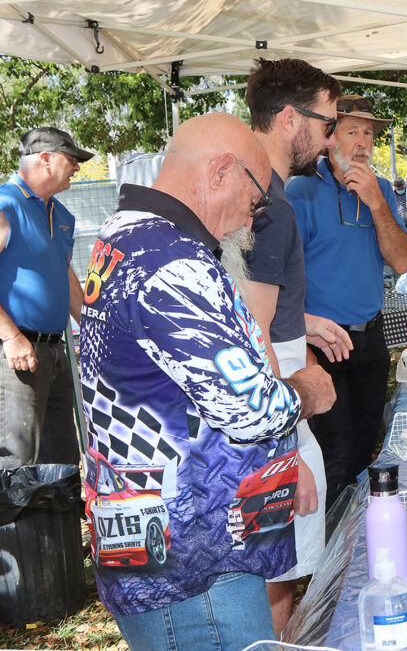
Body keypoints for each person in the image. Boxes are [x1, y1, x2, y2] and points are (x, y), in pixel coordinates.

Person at [77, 112, 336, 649]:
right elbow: (252, 409)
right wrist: (308, 387)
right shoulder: (172, 261)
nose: (254, 212)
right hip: (195, 565)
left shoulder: (128, 236)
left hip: (165, 547)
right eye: (256, 193)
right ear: (222, 171)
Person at [244, 57, 354, 634]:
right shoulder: (270, 205)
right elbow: (246, 334)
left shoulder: (261, 195)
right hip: (273, 416)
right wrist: (283, 451)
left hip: (273, 407)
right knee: (273, 591)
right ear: (291, 118)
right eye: (328, 121)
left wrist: (301, 321)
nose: (332, 137)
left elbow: (246, 307)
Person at [287, 94, 407, 507]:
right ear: (329, 138)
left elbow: (403, 260)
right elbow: (285, 279)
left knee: (364, 453)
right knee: (336, 458)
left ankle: (355, 550)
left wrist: (378, 204)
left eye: (368, 134)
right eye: (351, 131)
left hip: (371, 341)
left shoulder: (381, 192)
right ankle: (332, 564)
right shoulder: (301, 192)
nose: (362, 143)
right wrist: (303, 342)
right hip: (323, 345)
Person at [0, 127, 90, 470]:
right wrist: (10, 336)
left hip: (55, 353)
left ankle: (63, 527)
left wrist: (94, 331)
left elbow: (65, 276)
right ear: (46, 160)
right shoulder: (6, 203)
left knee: (63, 461)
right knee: (19, 465)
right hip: (15, 355)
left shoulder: (62, 215)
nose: (78, 168)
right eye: (72, 160)